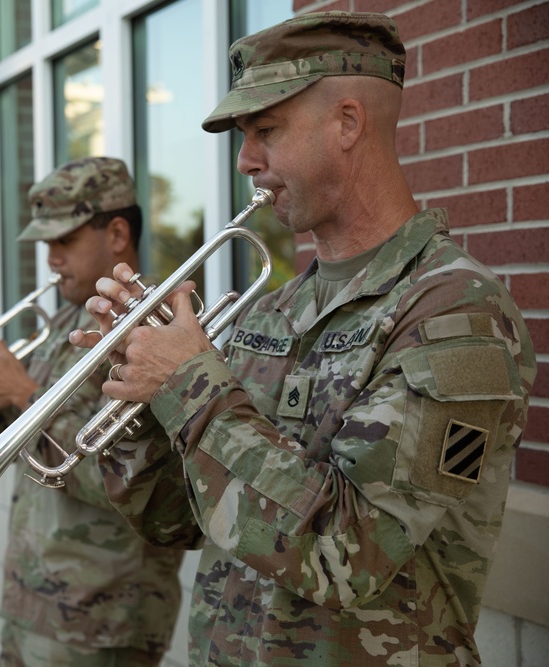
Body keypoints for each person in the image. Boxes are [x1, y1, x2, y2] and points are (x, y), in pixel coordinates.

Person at [73, 12, 537, 666]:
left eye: (266, 130)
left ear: (348, 123)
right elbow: (176, 518)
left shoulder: (455, 312)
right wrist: (142, 401)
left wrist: (191, 387)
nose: (245, 161)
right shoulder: (276, 309)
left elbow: (347, 555)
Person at [0, 156, 185, 666]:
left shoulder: (160, 331)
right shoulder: (67, 321)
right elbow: (26, 449)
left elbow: (134, 483)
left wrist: (24, 394)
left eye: (63, 241)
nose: (50, 259)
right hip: (33, 597)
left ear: (116, 234)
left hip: (101, 619)